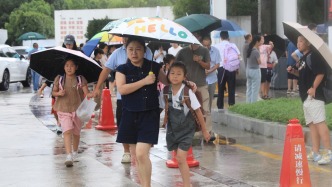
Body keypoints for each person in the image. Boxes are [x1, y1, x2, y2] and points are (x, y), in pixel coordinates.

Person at [115, 37, 169, 187]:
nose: (134, 53)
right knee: (137, 156)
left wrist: (185, 80)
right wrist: (144, 81)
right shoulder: (121, 69)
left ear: (144, 51)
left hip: (149, 115)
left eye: (138, 49)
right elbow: (122, 89)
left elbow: (168, 81)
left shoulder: (155, 67)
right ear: (126, 51)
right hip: (129, 115)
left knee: (141, 153)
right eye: (130, 49)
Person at [92, 37, 153, 164]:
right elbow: (106, 70)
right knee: (124, 126)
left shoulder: (147, 51)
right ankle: (127, 152)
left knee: (142, 125)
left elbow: (154, 72)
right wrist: (97, 87)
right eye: (123, 37)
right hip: (123, 98)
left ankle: (141, 151)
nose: (134, 52)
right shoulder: (117, 53)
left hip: (143, 96)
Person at [164, 61, 210, 187]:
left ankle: (187, 185)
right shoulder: (166, 90)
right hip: (173, 129)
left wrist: (205, 130)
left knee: (180, 158)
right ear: (168, 75)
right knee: (179, 159)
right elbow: (163, 108)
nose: (175, 76)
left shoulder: (187, 92)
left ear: (184, 77)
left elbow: (198, 112)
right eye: (172, 73)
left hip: (186, 129)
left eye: (179, 74)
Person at [287, 35, 331, 165]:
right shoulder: (303, 59)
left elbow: (320, 73)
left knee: (320, 123)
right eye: (297, 41)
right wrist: (294, 72)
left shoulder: (314, 56)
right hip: (306, 97)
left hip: (314, 96)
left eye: (301, 41)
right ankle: (315, 152)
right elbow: (304, 75)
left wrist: (313, 87)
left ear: (308, 43)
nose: (298, 44)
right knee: (312, 125)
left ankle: (329, 152)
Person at [52, 58, 92, 167]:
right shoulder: (59, 79)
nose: (69, 68)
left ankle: (75, 151)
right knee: (67, 131)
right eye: (67, 65)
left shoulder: (80, 79)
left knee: (76, 132)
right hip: (63, 109)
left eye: (72, 65)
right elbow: (54, 92)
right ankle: (68, 155)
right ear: (64, 67)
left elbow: (86, 94)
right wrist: (59, 93)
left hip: (78, 110)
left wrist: (94, 93)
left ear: (76, 67)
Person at [176, 31, 212, 142]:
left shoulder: (204, 50)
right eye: (193, 36)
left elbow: (208, 66)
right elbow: (176, 65)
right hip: (187, 86)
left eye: (197, 36)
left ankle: (208, 133)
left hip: (201, 84)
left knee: (205, 109)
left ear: (199, 38)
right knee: (188, 110)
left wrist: (199, 61)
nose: (195, 38)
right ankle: (189, 133)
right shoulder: (182, 51)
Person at [214, 31, 240, 109]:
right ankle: (232, 105)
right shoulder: (233, 45)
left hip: (221, 68)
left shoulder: (216, 46)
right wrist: (237, 68)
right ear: (228, 37)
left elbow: (214, 59)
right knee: (231, 87)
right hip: (231, 68)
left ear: (221, 37)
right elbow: (238, 56)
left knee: (221, 87)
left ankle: (220, 105)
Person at [202, 35, 221, 113]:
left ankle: (208, 113)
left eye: (208, 45)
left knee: (210, 97)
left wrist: (210, 71)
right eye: (204, 45)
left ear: (211, 43)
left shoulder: (215, 51)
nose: (206, 47)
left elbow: (217, 64)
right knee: (203, 97)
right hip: (202, 78)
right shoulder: (200, 51)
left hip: (212, 78)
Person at [246, 35, 262, 103]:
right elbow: (259, 62)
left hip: (248, 70)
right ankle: (253, 105)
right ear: (257, 42)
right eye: (260, 41)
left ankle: (248, 103)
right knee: (255, 90)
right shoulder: (256, 51)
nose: (261, 43)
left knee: (249, 88)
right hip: (255, 71)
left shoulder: (249, 49)